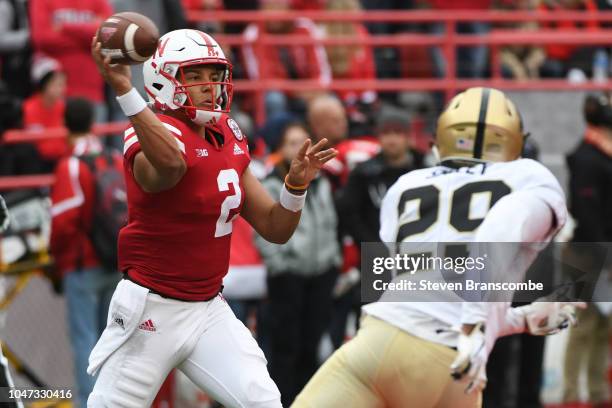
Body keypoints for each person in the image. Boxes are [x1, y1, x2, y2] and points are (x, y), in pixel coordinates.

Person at [87, 28, 337, 407]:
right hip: (152, 310)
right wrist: (126, 90)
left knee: (264, 402)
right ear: (163, 77)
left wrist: (295, 187)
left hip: (208, 308)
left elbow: (275, 227)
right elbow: (172, 165)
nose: (208, 85)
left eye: (214, 75)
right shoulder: (151, 130)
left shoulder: (228, 132)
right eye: (195, 75)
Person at [292, 87, 583, 408]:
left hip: (383, 339)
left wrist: (509, 319)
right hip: (451, 357)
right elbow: (492, 242)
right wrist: (492, 324)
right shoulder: (530, 176)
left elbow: (425, 298)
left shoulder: (408, 183)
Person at [255, 121, 341, 406]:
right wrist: (279, 264)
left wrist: (333, 261)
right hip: (287, 276)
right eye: (292, 143)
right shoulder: (269, 183)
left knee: (312, 344)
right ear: (280, 149)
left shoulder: (323, 183)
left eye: (303, 141)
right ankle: (283, 401)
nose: (299, 148)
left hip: (321, 274)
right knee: (284, 347)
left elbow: (330, 225)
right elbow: (263, 230)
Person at [49, 97, 121, 408]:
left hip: (83, 266)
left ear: (65, 124)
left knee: (85, 341)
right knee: (113, 342)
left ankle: (88, 404)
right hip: (115, 262)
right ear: (93, 121)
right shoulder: (113, 157)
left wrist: (56, 259)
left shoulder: (72, 165)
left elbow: (64, 223)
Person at [561, 93, 612, 408]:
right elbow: (587, 212)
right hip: (590, 252)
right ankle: (570, 394)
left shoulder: (598, 154)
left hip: (600, 250)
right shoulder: (587, 158)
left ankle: (595, 394)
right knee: (584, 326)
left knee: (601, 326)